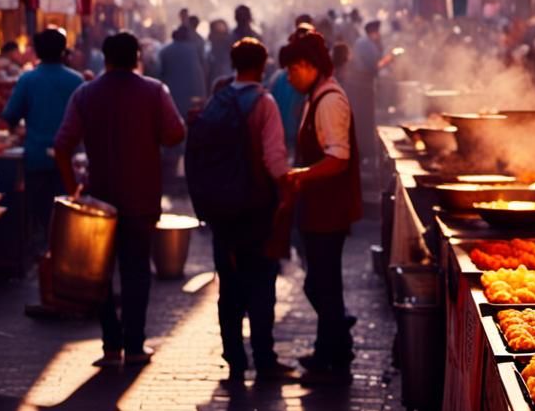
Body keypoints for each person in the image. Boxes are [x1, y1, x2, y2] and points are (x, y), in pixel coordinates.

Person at [54, 32, 187, 367]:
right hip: (141, 197)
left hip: (99, 200)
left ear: (106, 59)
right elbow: (175, 133)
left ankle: (111, 344)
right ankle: (136, 343)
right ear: (137, 57)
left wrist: (74, 190)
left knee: (99, 271)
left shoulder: (85, 94)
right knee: (136, 271)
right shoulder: (155, 91)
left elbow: (62, 146)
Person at [190, 38, 293, 383]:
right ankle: (263, 358)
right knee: (262, 283)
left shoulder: (218, 100)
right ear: (262, 66)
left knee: (229, 284)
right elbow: (274, 158)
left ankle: (234, 356)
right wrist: (288, 188)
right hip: (255, 208)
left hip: (221, 209)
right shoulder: (263, 103)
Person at [280, 30, 362, 386]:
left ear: (309, 66)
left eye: (293, 69)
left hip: (329, 207)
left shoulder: (329, 100)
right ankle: (333, 347)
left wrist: (302, 174)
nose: (289, 76)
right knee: (323, 282)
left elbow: (338, 159)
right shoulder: (317, 96)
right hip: (319, 207)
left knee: (322, 283)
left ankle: (334, 354)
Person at [1, 28, 85, 252]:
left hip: (36, 157)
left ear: (37, 51)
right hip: (69, 159)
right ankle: (63, 255)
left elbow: (10, 115)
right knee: (67, 213)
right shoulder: (76, 81)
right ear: (63, 51)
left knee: (41, 216)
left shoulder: (28, 79)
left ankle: (45, 260)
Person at [350, 20, 397, 165]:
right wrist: (388, 59)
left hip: (360, 85)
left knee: (362, 120)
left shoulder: (362, 42)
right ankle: (366, 154)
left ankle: (363, 153)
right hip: (363, 86)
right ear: (374, 32)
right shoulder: (367, 44)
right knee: (366, 120)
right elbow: (373, 66)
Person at [159, 15, 207, 118]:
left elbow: (160, 73)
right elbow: (201, 71)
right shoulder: (194, 49)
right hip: (191, 93)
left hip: (171, 94)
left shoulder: (165, 51)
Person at [206, 18, 234, 89]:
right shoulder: (210, 47)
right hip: (215, 81)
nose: (220, 36)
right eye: (217, 33)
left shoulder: (230, 44)